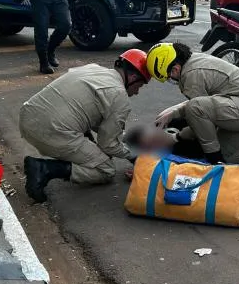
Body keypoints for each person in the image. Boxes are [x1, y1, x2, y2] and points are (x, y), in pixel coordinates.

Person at [19, 49, 150, 203]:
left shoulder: (93, 68)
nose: (137, 92)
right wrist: (133, 155)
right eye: (140, 86)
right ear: (133, 78)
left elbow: (95, 118)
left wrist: (120, 137)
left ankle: (77, 155)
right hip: (51, 131)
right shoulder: (119, 96)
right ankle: (44, 169)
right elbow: (108, 144)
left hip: (27, 117)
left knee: (82, 119)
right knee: (106, 169)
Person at [146, 42, 239, 165]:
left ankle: (214, 161)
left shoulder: (191, 76)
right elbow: (205, 105)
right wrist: (173, 113)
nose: (171, 80)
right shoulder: (192, 60)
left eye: (169, 77)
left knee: (196, 110)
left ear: (175, 69)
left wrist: (176, 137)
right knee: (228, 156)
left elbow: (197, 115)